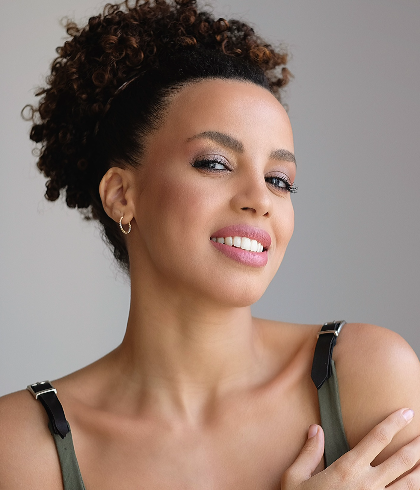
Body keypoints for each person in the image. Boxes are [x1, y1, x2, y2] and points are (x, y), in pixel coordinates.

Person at [1, 0, 420, 488]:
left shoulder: (366, 374)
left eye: (279, 180)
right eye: (215, 164)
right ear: (121, 195)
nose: (260, 200)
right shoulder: (21, 447)